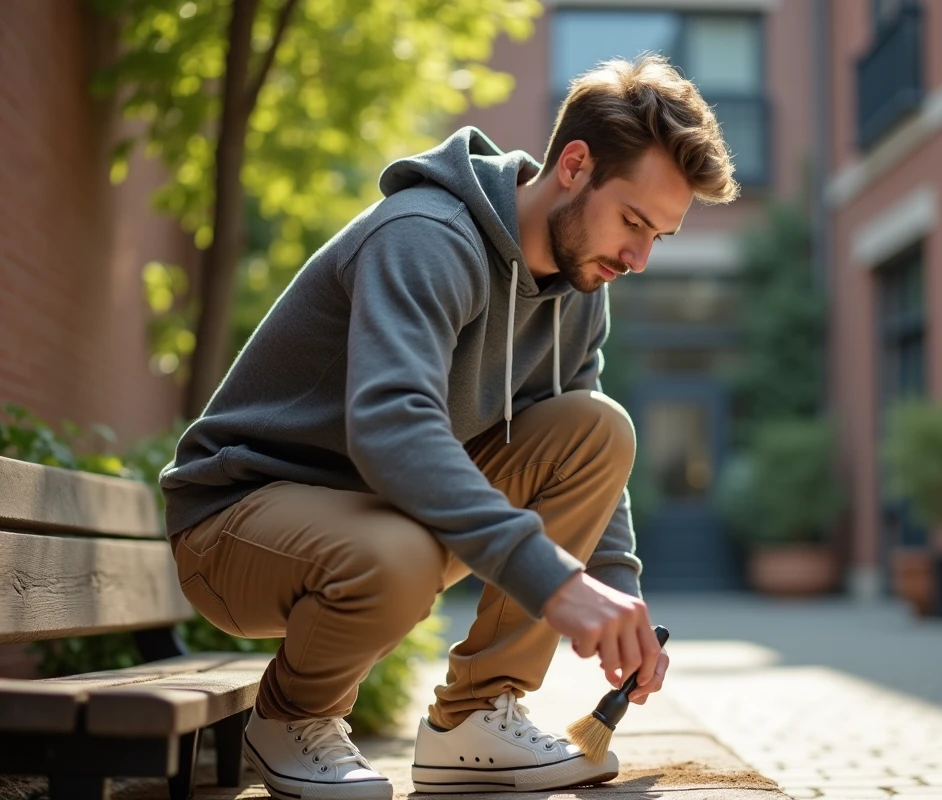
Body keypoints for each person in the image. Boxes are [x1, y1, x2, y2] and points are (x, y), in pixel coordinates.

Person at [160, 54, 738, 799]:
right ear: (574, 165)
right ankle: (291, 717)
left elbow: (588, 453)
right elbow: (392, 426)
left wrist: (619, 594)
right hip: (236, 522)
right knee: (396, 554)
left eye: (659, 235)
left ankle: (474, 717)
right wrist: (554, 579)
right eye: (633, 221)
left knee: (600, 427)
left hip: (380, 513)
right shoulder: (427, 235)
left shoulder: (582, 286)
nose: (639, 258)